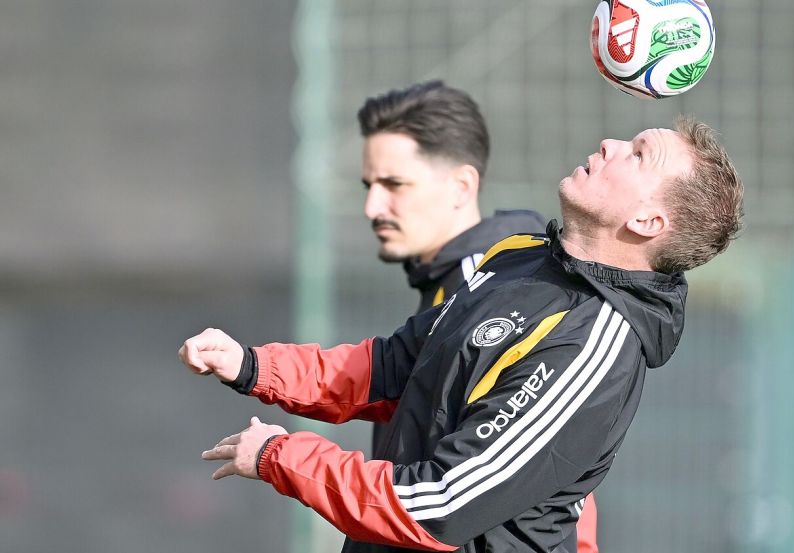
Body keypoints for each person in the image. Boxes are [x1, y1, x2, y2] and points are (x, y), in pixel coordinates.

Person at [180, 116, 744, 553]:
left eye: (638, 154)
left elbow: (442, 502)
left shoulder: (593, 346)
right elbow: (395, 369)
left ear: (646, 223)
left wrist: (284, 456)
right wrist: (254, 366)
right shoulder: (521, 257)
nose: (608, 145)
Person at [356, 81, 606, 551]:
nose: (373, 207)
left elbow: (557, 464)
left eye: (394, 185)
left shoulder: (495, 291)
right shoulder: (458, 284)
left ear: (462, 186)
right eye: (369, 186)